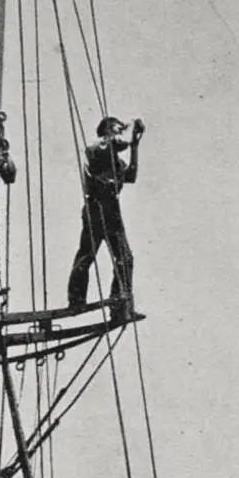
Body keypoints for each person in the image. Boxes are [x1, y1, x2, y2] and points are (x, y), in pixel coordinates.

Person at [67, 115, 145, 324]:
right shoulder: (96, 148)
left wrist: (135, 145)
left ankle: (120, 305)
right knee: (87, 256)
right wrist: (129, 133)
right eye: (116, 129)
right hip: (96, 207)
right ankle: (76, 300)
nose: (119, 133)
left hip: (112, 209)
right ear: (107, 131)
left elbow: (131, 176)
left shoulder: (115, 160)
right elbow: (114, 144)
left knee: (125, 258)